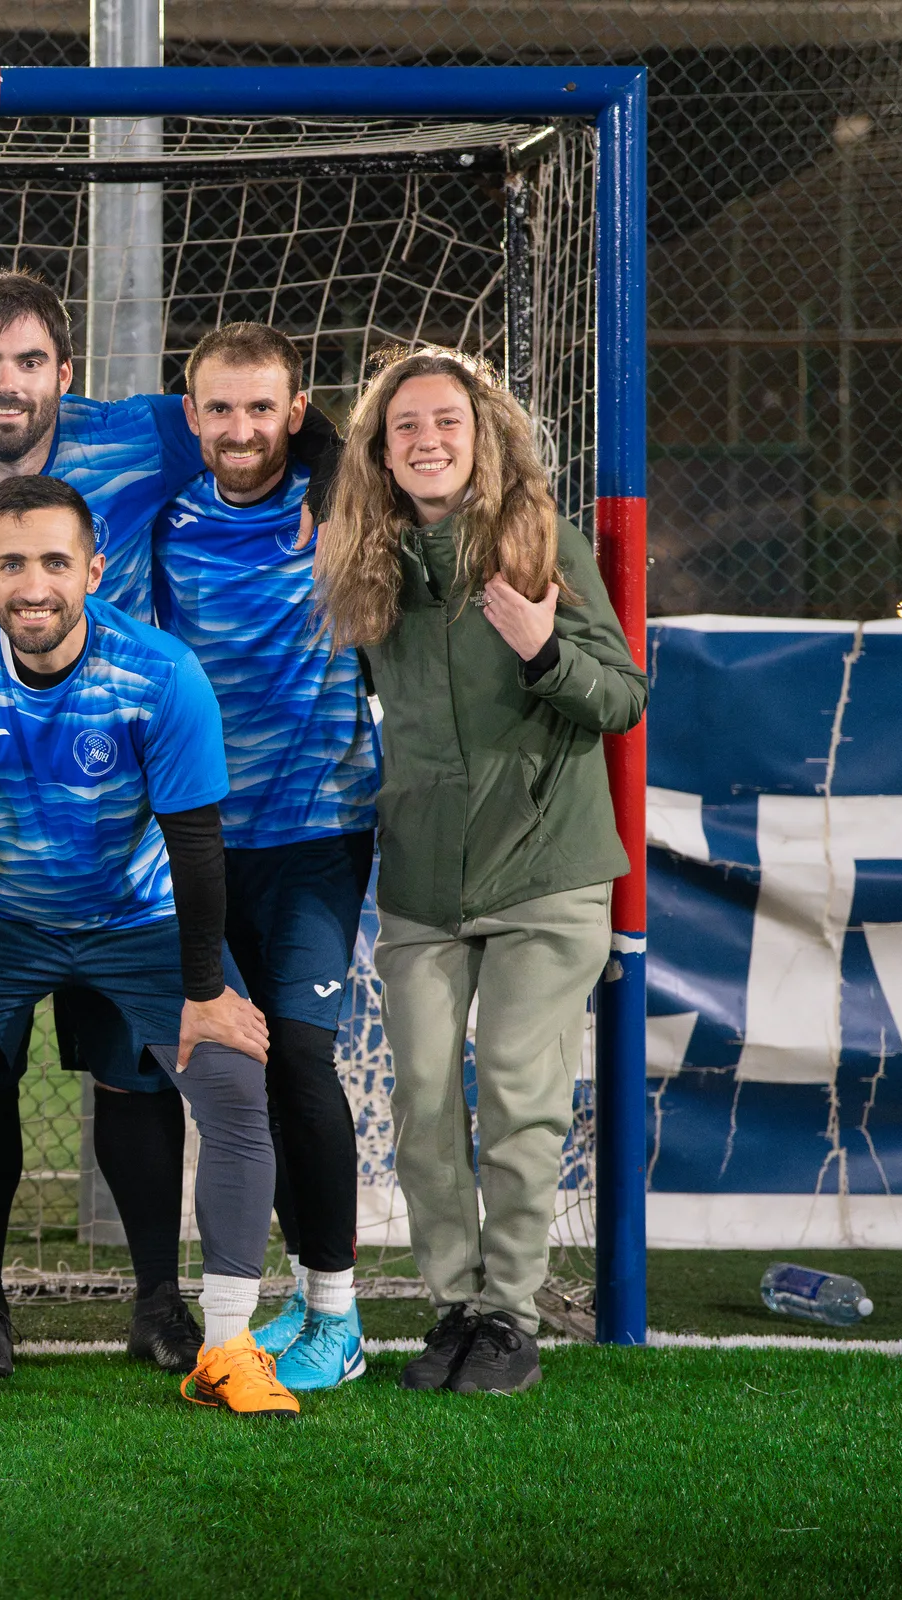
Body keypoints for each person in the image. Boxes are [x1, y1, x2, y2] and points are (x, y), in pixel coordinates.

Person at [0, 473, 296, 1419]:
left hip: (137, 916)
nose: (33, 584)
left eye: (55, 561)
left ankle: (227, 1343)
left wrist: (202, 990)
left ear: (93, 569)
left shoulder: (161, 671)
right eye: (11, 562)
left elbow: (196, 844)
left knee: (231, 1080)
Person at [313, 349, 645, 1395]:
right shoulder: (365, 563)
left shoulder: (540, 544)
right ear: (380, 448)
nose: (427, 439)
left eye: (446, 420)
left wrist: (547, 649)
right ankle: (454, 1306)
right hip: (422, 879)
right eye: (405, 425)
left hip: (546, 872)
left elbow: (622, 694)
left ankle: (511, 1314)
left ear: (483, 430)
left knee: (512, 1085)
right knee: (416, 1096)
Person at [153, 323, 382, 1390]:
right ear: (191, 414)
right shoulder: (164, 524)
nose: (240, 430)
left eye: (262, 408)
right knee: (239, 1069)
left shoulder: (346, 506)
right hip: (202, 845)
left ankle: (339, 1308)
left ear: (297, 413)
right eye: (219, 409)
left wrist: (337, 465)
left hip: (320, 831)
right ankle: (294, 1293)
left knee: (299, 1055)